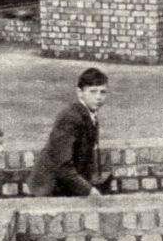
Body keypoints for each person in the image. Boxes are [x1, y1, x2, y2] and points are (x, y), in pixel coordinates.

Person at [28, 68, 109, 197]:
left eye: (103, 92)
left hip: (64, 185)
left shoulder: (89, 113)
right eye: (93, 91)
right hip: (49, 189)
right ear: (80, 92)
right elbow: (62, 166)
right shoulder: (70, 118)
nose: (98, 97)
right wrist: (89, 191)